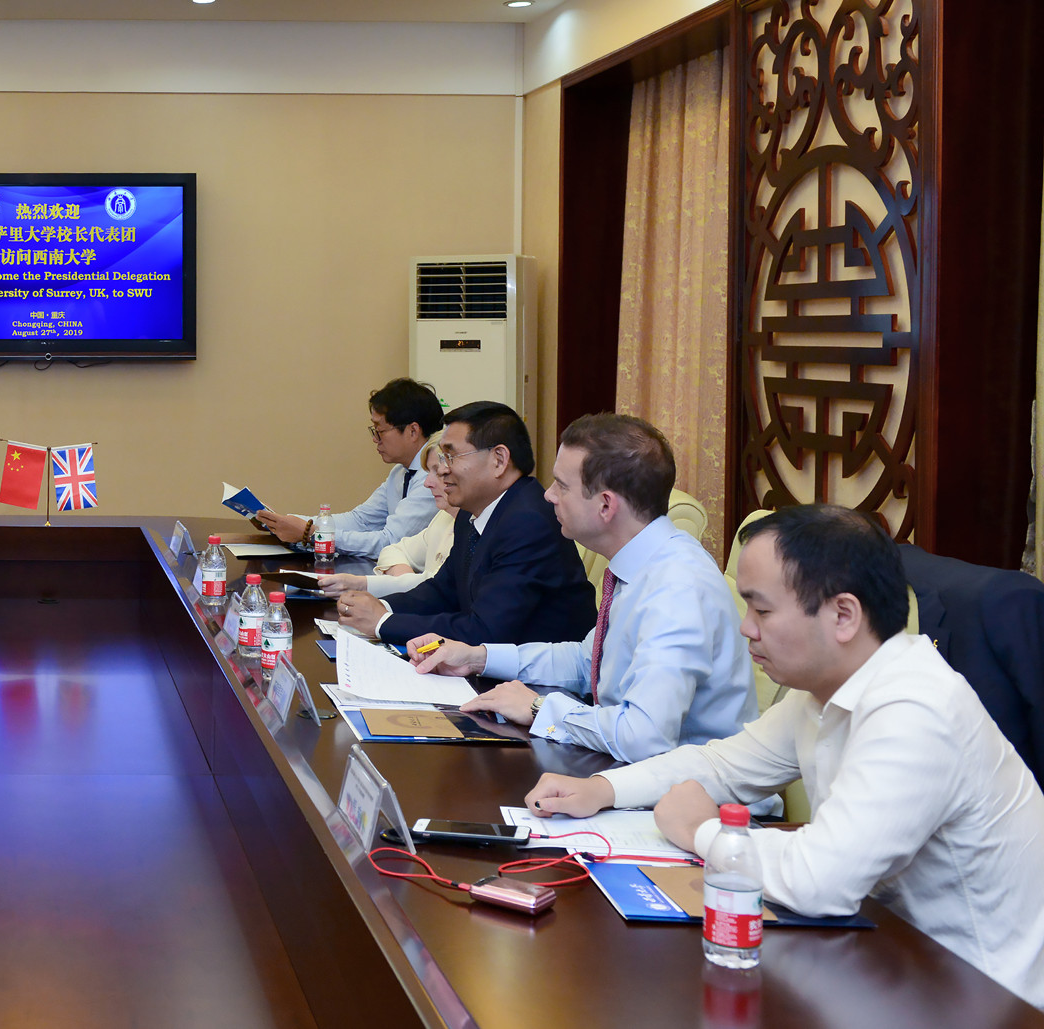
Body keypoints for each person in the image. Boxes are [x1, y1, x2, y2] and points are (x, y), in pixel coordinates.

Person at [524, 505, 1044, 1008]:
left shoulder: (916, 709)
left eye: (763, 610)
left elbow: (820, 880)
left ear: (843, 615)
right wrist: (603, 789)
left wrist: (702, 831)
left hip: (979, 996)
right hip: (888, 958)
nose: (746, 627)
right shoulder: (826, 689)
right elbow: (721, 765)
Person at [407, 413, 755, 760]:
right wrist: (477, 657)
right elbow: (586, 662)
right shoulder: (639, 564)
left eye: (562, 485)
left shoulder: (677, 587)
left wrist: (539, 708)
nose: (548, 496)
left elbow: (642, 736)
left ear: (605, 505)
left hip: (688, 787)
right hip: (633, 767)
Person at [334, 400, 593, 645]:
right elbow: (442, 591)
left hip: (540, 674)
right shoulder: (470, 515)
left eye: (450, 456)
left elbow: (485, 630)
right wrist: (382, 607)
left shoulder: (528, 522)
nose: (442, 469)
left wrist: (383, 622)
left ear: (499, 460)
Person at [258, 378, 443, 558]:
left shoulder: (433, 480)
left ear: (413, 431)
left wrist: (313, 533)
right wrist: (283, 522)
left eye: (380, 431)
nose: (375, 439)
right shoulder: (400, 472)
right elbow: (361, 520)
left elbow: (390, 542)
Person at [317, 463, 456, 599]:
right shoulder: (444, 517)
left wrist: (362, 585)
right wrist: (403, 579)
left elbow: (439, 584)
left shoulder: (454, 518)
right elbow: (393, 549)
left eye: (441, 473)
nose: (427, 483)